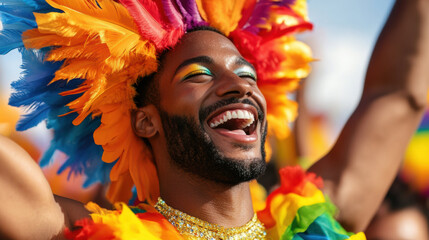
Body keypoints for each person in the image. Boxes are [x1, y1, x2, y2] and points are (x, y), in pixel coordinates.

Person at [0, 0, 428, 239]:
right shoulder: (92, 234)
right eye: (199, 75)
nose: (239, 85)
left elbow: (398, 95)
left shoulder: (311, 225)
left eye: (247, 73)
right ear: (145, 121)